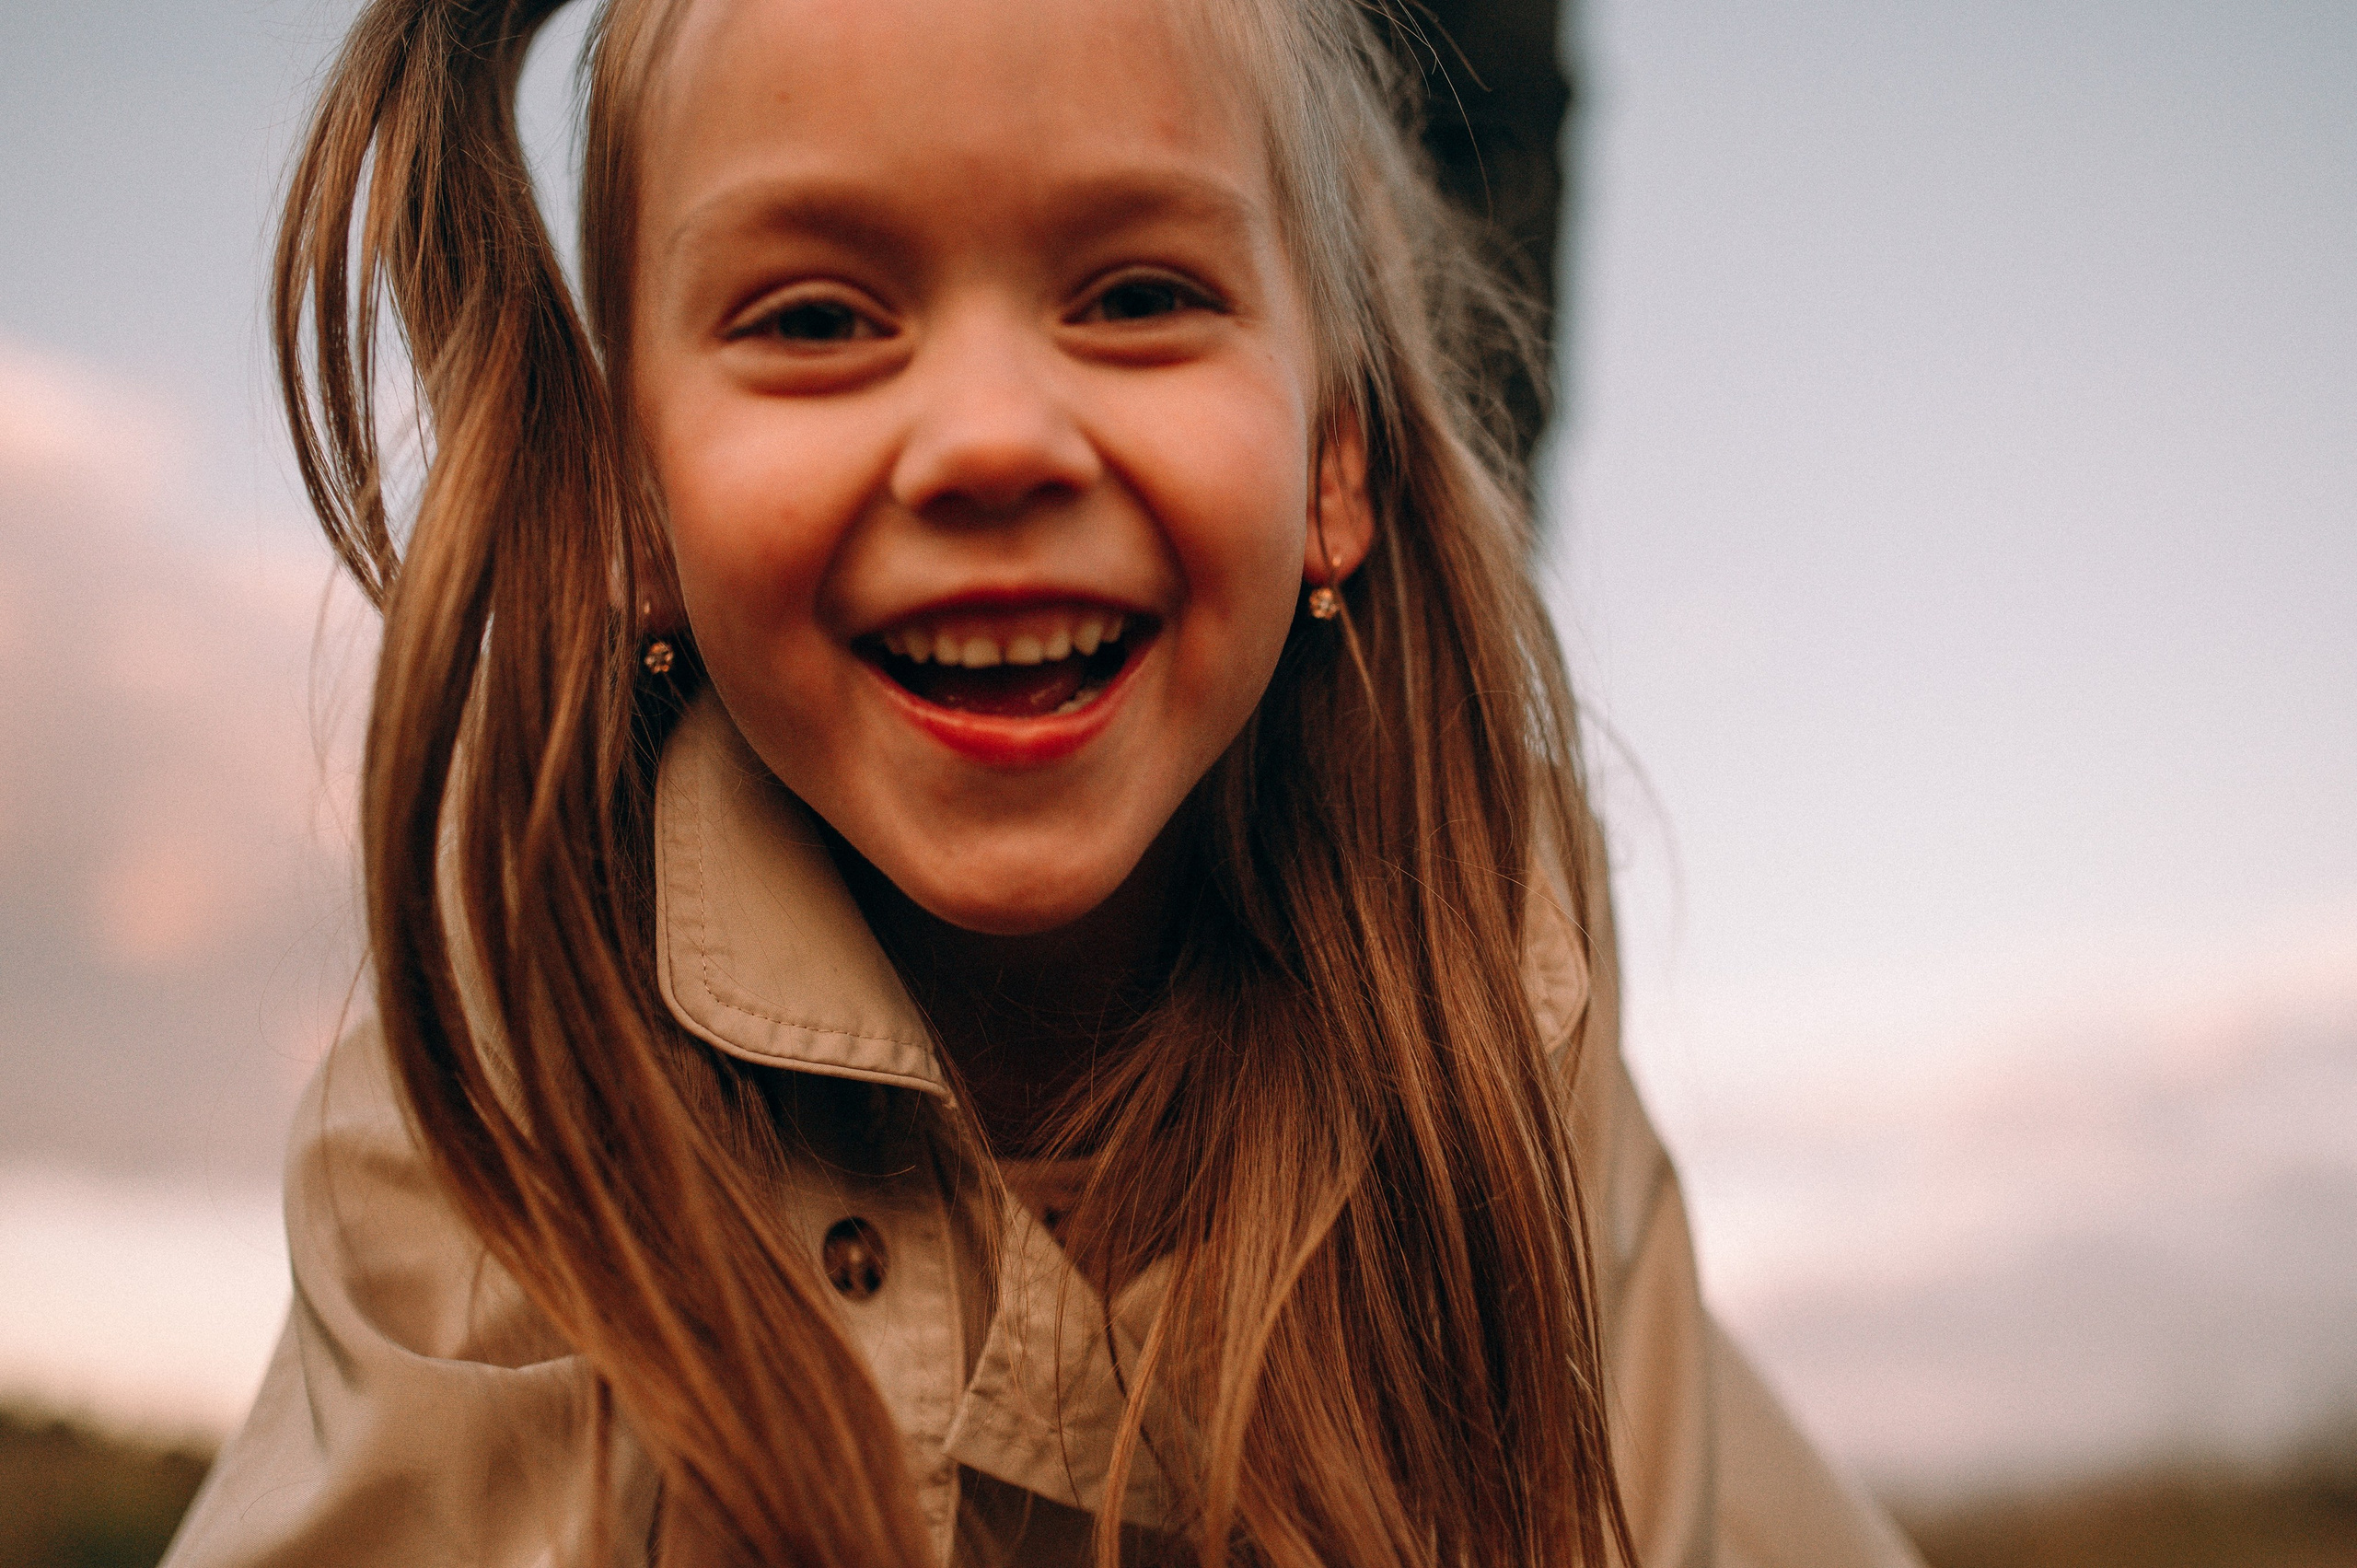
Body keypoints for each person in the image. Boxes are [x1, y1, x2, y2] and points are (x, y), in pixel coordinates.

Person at [165, 0, 1922, 1564]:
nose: (995, 437)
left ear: (1336, 462)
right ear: (636, 502)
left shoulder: (1495, 963)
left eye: (1141, 295)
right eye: (816, 317)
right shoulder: (513, 1076)